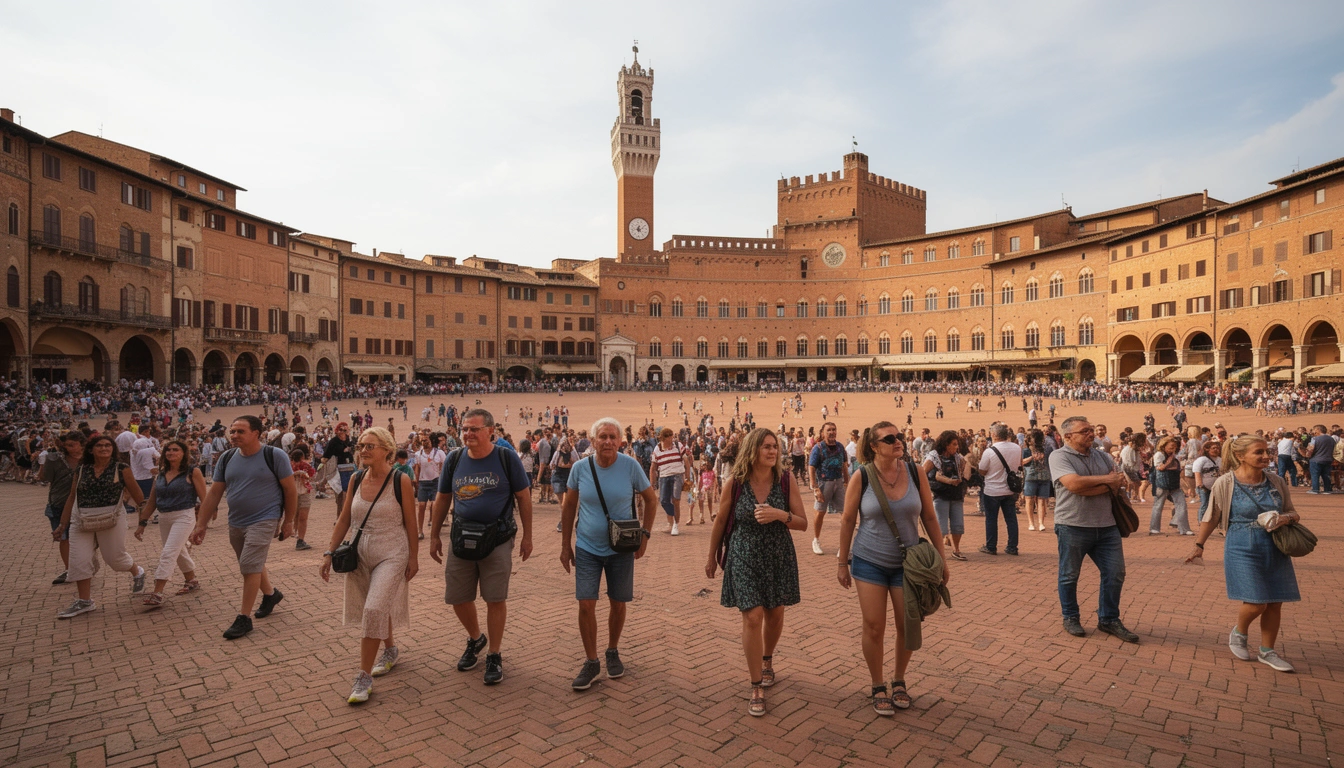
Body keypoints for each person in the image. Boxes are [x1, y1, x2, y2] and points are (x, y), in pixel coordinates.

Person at [836, 423, 949, 716]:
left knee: (907, 624)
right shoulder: (862, 475)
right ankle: (877, 684)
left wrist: (942, 559)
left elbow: (930, 517)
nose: (898, 441)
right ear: (874, 446)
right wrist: (842, 563)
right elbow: (847, 520)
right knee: (874, 626)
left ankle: (899, 679)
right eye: (889, 439)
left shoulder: (915, 472)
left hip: (908, 564)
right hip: (869, 560)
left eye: (899, 436)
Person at [705, 428, 806, 717]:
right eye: (766, 447)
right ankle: (756, 685)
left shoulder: (785, 480)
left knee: (775, 614)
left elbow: (802, 523)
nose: (772, 451)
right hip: (744, 552)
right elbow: (721, 520)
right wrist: (711, 556)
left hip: (777, 554)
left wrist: (780, 515)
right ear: (752, 450)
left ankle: (767, 659)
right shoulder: (735, 483)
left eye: (775, 446)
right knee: (752, 616)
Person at [429, 408, 533, 686]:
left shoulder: (506, 457)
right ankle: (476, 639)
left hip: (497, 537)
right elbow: (442, 498)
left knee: (495, 598)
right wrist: (434, 535)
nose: (468, 434)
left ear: (490, 431)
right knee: (457, 597)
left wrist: (527, 536)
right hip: (461, 536)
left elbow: (524, 497)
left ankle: (494, 654)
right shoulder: (454, 459)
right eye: (465, 429)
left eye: (474, 429)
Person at [1184, 435, 1301, 672]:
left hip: (1275, 546)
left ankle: (1267, 651)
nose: (1266, 456)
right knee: (1257, 603)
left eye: (1267, 451)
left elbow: (1292, 512)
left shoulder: (1276, 481)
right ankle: (1239, 632)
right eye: (1258, 452)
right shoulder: (1225, 483)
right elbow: (1212, 516)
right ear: (1240, 456)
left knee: (1275, 602)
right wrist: (1199, 545)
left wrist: (1284, 519)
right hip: (1241, 545)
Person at [320, 427, 418, 704]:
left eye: (370, 446)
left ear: (387, 450)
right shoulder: (356, 478)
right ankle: (390, 650)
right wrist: (328, 553)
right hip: (360, 553)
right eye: (361, 445)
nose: (363, 450)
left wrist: (414, 557)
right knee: (377, 605)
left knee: (373, 608)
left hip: (392, 552)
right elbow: (344, 519)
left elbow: (411, 523)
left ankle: (363, 677)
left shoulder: (400, 480)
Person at [560, 418, 657, 691]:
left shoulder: (630, 466)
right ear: (593, 441)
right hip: (587, 546)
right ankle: (591, 661)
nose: (608, 442)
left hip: (620, 548)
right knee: (585, 603)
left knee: (618, 602)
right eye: (602, 437)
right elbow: (569, 506)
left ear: (620, 441)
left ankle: (612, 650)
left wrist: (645, 535)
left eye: (613, 437)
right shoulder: (580, 468)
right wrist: (565, 545)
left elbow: (651, 500)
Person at [192, 416, 299, 640]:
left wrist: (288, 521)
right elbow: (215, 492)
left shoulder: (274, 455)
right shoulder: (227, 458)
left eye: (240, 431)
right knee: (251, 563)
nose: (234, 435)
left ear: (256, 433)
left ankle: (244, 618)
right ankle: (270, 594)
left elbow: (290, 490)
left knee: (249, 565)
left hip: (266, 518)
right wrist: (201, 524)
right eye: (232, 431)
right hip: (236, 521)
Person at [1048, 416, 1138, 643]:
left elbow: (1119, 482)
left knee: (1115, 573)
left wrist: (1098, 484)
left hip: (1107, 526)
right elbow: (1074, 484)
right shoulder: (1059, 456)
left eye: (1091, 429)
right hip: (1072, 525)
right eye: (1084, 431)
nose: (1091, 433)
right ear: (1068, 436)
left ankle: (1108, 619)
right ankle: (1070, 616)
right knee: (1069, 575)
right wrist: (1106, 482)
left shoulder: (1102, 455)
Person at [51, 434, 148, 618]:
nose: (104, 448)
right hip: (81, 518)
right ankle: (84, 601)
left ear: (113, 449)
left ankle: (137, 571)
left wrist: (142, 522)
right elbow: (72, 496)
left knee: (115, 559)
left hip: (111, 518)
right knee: (78, 560)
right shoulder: (82, 469)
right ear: (91, 450)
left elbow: (138, 496)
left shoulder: (121, 468)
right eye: (99, 446)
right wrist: (62, 524)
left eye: (107, 445)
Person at [135, 439, 207, 607]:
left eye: (175, 450)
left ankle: (157, 592)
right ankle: (191, 580)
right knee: (178, 550)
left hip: (184, 515)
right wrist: (142, 522)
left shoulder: (192, 471)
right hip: (164, 517)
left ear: (183, 453)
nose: (171, 453)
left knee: (169, 552)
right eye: (168, 450)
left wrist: (202, 524)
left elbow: (205, 499)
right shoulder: (161, 473)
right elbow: (152, 500)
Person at [41, 431, 85, 585]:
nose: (69, 448)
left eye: (73, 445)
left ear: (81, 444)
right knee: (64, 538)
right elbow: (45, 477)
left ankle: (84, 566)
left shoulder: (88, 459)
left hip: (83, 504)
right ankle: (69, 569)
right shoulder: (56, 459)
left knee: (82, 538)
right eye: (67, 445)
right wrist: (45, 461)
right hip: (59, 502)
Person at [922, 430, 969, 561]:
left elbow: (965, 472)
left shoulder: (958, 458)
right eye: (954, 444)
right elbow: (922, 473)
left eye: (957, 444)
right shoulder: (934, 457)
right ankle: (937, 552)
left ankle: (956, 549)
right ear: (946, 444)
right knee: (940, 527)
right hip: (940, 495)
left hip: (956, 495)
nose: (956, 447)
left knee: (958, 525)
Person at [977, 424, 1022, 556]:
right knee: (1011, 519)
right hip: (1010, 489)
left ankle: (991, 546)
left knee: (991, 519)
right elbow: (1020, 465)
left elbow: (982, 470)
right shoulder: (1016, 448)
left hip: (992, 490)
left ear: (994, 435)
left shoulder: (989, 451)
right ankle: (1012, 546)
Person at [807, 422, 850, 556]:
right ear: (823, 433)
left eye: (834, 429)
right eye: (829, 430)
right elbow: (811, 467)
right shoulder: (818, 448)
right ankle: (816, 540)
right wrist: (815, 487)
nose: (832, 432)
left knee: (845, 514)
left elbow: (844, 466)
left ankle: (843, 545)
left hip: (838, 482)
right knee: (820, 512)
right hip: (824, 483)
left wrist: (847, 483)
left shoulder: (840, 447)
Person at [650, 428, 692, 535]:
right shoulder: (657, 449)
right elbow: (653, 468)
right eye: (669, 436)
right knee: (663, 501)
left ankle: (675, 525)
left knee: (676, 499)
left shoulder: (677, 445)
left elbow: (686, 462)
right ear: (663, 438)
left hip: (677, 475)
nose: (671, 439)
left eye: (671, 436)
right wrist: (652, 483)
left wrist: (687, 478)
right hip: (664, 476)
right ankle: (672, 520)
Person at [1150, 436, 1191, 535]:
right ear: (1164, 446)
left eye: (1175, 447)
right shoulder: (1159, 455)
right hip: (1162, 484)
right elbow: (1160, 468)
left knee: (1182, 504)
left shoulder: (1174, 455)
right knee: (1158, 506)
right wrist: (1170, 461)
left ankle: (1184, 529)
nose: (1173, 449)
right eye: (1171, 447)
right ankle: (1154, 528)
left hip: (1174, 484)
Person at [1021, 428, 1052, 532]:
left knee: (1042, 500)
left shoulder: (1047, 449)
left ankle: (1041, 523)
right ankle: (1031, 522)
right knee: (1029, 499)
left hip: (1044, 476)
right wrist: (1031, 457)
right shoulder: (1026, 450)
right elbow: (1021, 462)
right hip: (1030, 476)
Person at [289, 447, 317, 550]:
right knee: (301, 516)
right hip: (299, 491)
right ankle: (299, 538)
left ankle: (299, 538)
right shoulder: (290, 466)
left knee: (300, 516)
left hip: (300, 491)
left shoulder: (304, 466)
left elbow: (311, 476)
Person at [1191, 440, 1222, 520]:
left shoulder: (1220, 460)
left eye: (1217, 448)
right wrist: (1200, 484)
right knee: (1205, 504)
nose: (1216, 450)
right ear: (1207, 449)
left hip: (1216, 487)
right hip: (1204, 487)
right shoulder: (1202, 460)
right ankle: (1201, 521)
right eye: (1213, 448)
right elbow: (1197, 471)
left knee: (1216, 505)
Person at [1303, 424, 1336, 494]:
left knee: (1315, 475)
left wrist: (1307, 455)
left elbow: (1310, 449)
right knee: (1326, 475)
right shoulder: (1331, 439)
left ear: (1318, 430)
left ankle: (1315, 489)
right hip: (1328, 459)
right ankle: (1327, 489)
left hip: (1316, 459)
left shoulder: (1315, 439)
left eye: (1314, 430)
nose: (1313, 432)